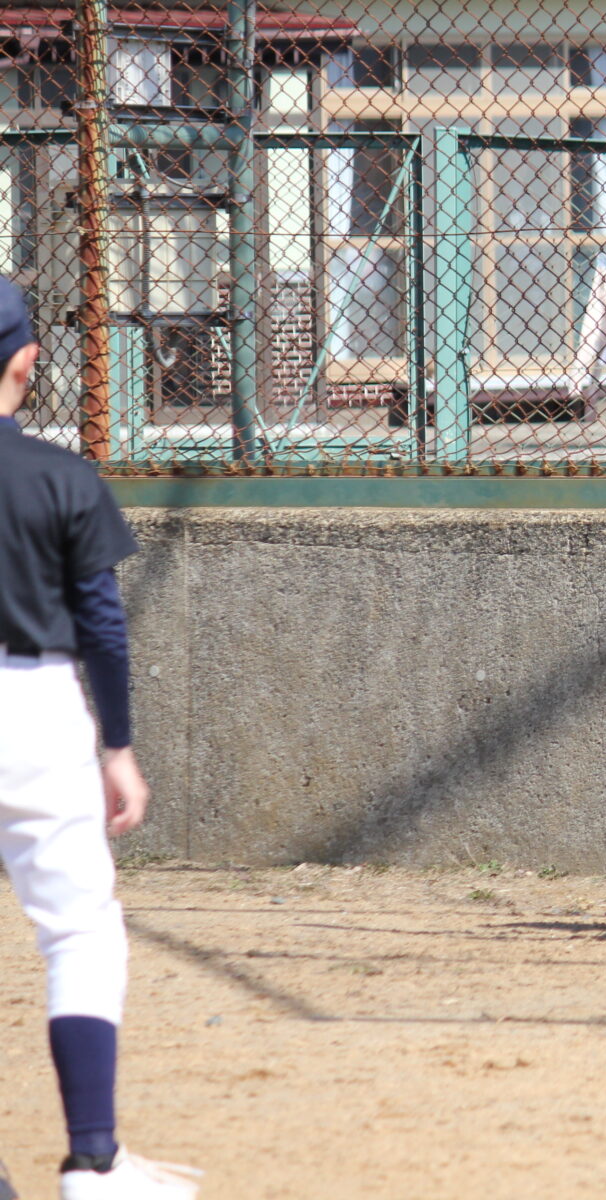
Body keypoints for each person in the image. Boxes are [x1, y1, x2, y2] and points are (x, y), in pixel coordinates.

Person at [0, 275, 202, 1198]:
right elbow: (103, 628)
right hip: (36, 706)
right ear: (26, 362)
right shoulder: (60, 476)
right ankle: (92, 1159)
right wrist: (117, 746)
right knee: (79, 931)